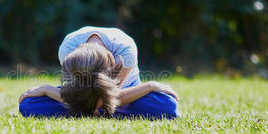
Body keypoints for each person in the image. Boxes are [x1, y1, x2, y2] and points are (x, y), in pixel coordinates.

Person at [19, 26, 179, 119]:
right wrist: (46, 89)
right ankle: (95, 110)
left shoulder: (125, 50)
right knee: (28, 105)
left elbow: (115, 95)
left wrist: (149, 86)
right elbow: (73, 94)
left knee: (167, 106)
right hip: (80, 96)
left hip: (123, 94)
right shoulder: (67, 49)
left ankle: (85, 111)